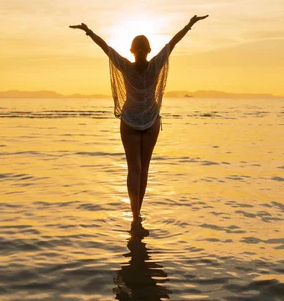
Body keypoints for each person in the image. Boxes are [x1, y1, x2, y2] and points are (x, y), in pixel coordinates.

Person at [70, 15, 208, 234]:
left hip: (130, 122)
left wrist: (89, 31)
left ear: (132, 50)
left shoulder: (126, 66)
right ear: (149, 50)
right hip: (151, 121)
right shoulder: (155, 66)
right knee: (144, 170)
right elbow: (173, 43)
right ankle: (138, 216)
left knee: (133, 169)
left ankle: (135, 217)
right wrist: (189, 25)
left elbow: (106, 48)